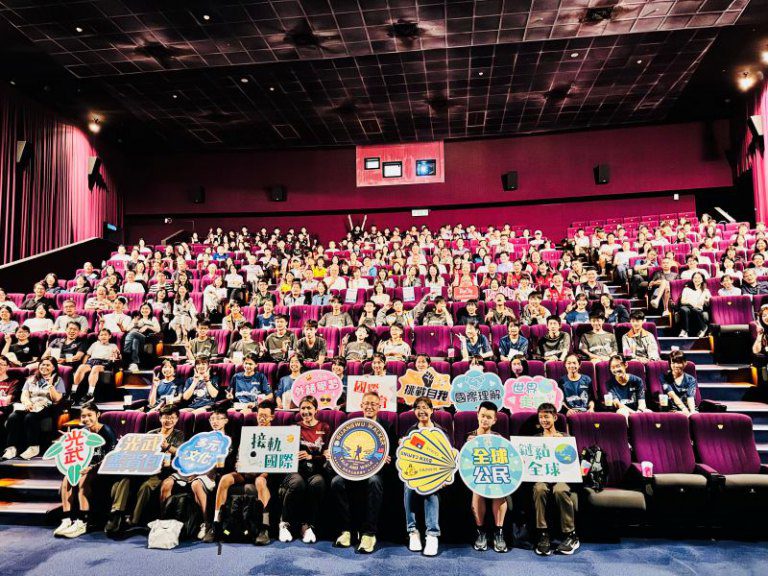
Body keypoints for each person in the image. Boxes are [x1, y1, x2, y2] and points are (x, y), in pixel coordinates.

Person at [330, 391, 395, 553]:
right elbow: (339, 447)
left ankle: (369, 533)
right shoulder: (352, 425)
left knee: (374, 481)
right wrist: (331, 454)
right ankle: (347, 531)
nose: (369, 407)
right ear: (361, 406)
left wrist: (388, 458)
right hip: (351, 470)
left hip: (376, 472)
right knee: (336, 481)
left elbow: (393, 453)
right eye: (366, 403)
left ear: (379, 406)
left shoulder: (386, 426)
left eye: (373, 404)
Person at [205, 399, 278, 545]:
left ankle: (264, 528)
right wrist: (238, 463)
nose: (262, 419)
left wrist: (264, 472)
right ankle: (216, 524)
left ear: (272, 417)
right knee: (225, 479)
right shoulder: (249, 432)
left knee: (260, 481)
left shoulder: (277, 434)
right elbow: (240, 454)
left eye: (265, 416)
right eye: (259, 415)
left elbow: (277, 460)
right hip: (245, 471)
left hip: (264, 473)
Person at [105, 403, 185, 537]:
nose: (168, 420)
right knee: (125, 479)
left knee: (146, 487)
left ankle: (134, 521)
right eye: (165, 417)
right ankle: (117, 514)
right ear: (160, 418)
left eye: (172, 418)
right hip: (142, 468)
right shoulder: (151, 434)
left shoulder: (179, 435)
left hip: (160, 471)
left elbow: (180, 453)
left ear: (177, 420)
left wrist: (167, 447)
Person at [159, 404, 233, 541]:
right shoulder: (202, 438)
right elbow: (188, 454)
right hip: (191, 469)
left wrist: (200, 471)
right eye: (212, 419)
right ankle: (164, 522)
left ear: (226, 420)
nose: (215, 422)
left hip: (210, 473)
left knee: (196, 484)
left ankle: (206, 523)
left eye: (219, 419)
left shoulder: (229, 439)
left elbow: (225, 464)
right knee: (167, 483)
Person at [53, 401, 117, 538]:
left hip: (101, 467)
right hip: (84, 466)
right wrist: (65, 441)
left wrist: (91, 468)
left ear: (98, 415)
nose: (86, 419)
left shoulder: (107, 431)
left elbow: (111, 456)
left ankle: (83, 521)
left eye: (90, 415)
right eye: (83, 416)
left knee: (82, 481)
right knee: (67, 479)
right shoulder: (82, 433)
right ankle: (67, 519)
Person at [278, 395, 328, 544]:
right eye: (303, 408)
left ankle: (307, 526)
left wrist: (311, 456)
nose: (306, 411)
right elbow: (285, 451)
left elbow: (326, 456)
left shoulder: (324, 427)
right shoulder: (294, 428)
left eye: (309, 408)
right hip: (296, 470)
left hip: (316, 470)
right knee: (297, 482)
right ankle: (284, 523)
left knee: (318, 482)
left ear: (316, 410)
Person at [532, 402, 579, 556]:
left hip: (562, 476)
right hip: (542, 476)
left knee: (559, 490)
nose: (543, 420)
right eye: (541, 417)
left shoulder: (565, 437)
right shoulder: (535, 439)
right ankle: (543, 534)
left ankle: (570, 535)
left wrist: (562, 443)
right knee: (539, 489)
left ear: (555, 417)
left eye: (546, 416)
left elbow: (572, 461)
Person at [402, 396, 445, 557]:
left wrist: (442, 479)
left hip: (434, 476)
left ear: (432, 410)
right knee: (408, 486)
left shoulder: (440, 431)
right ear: (414, 411)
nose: (422, 411)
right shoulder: (411, 431)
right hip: (414, 474)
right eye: (418, 407)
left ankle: (432, 535)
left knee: (431, 489)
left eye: (425, 407)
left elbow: (446, 458)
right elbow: (406, 459)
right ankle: (413, 532)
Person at [466, 401, 509, 553]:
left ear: (494, 420)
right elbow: (462, 462)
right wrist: (469, 446)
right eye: (482, 416)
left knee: (499, 489)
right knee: (477, 489)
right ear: (477, 415)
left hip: (495, 476)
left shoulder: (499, 438)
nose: (485, 419)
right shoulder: (469, 437)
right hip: (474, 477)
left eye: (489, 417)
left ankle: (499, 532)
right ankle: (480, 531)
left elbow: (507, 460)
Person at [3, 358, 66, 460]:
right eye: (42, 364)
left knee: (30, 417)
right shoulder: (31, 379)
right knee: (13, 416)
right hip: (31, 405)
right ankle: (11, 448)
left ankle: (33, 447)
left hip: (47, 406)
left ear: (53, 367)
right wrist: (27, 403)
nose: (44, 367)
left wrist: (50, 385)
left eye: (47, 365)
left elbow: (57, 399)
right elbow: (24, 395)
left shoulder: (58, 380)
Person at [71, 328, 121, 403]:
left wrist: (117, 354)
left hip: (104, 362)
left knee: (95, 368)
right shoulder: (95, 344)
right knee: (81, 367)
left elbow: (119, 357)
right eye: (101, 335)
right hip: (92, 361)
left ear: (110, 336)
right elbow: (87, 355)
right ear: (98, 337)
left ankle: (90, 394)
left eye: (105, 335)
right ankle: (73, 392)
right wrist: (84, 364)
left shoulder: (113, 345)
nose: (103, 336)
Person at [124, 302, 161, 372]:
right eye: (143, 308)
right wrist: (134, 323)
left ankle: (126, 352)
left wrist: (147, 326)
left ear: (150, 310)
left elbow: (158, 330)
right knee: (135, 340)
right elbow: (127, 329)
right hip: (138, 338)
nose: (144, 310)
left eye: (147, 308)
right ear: (140, 310)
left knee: (133, 333)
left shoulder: (153, 319)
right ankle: (136, 363)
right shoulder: (137, 318)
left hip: (148, 338)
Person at [677, 272, 711, 338]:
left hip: (698, 308)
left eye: (699, 278)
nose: (697, 279)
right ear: (692, 279)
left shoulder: (705, 291)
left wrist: (706, 300)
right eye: (695, 278)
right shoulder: (686, 289)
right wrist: (691, 302)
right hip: (687, 306)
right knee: (684, 310)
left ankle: (703, 328)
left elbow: (708, 302)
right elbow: (682, 301)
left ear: (702, 280)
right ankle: (685, 331)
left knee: (695, 310)